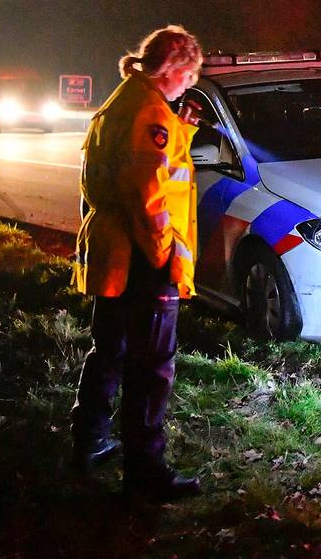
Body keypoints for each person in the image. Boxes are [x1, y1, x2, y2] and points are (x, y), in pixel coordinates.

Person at [70, 25, 203, 501]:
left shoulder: (125, 100)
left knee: (110, 350)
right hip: (142, 257)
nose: (188, 86)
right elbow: (150, 196)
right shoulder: (149, 110)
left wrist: (180, 128)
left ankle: (88, 440)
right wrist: (166, 256)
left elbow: (143, 160)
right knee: (151, 367)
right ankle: (145, 470)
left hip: (116, 255)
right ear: (172, 68)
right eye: (187, 76)